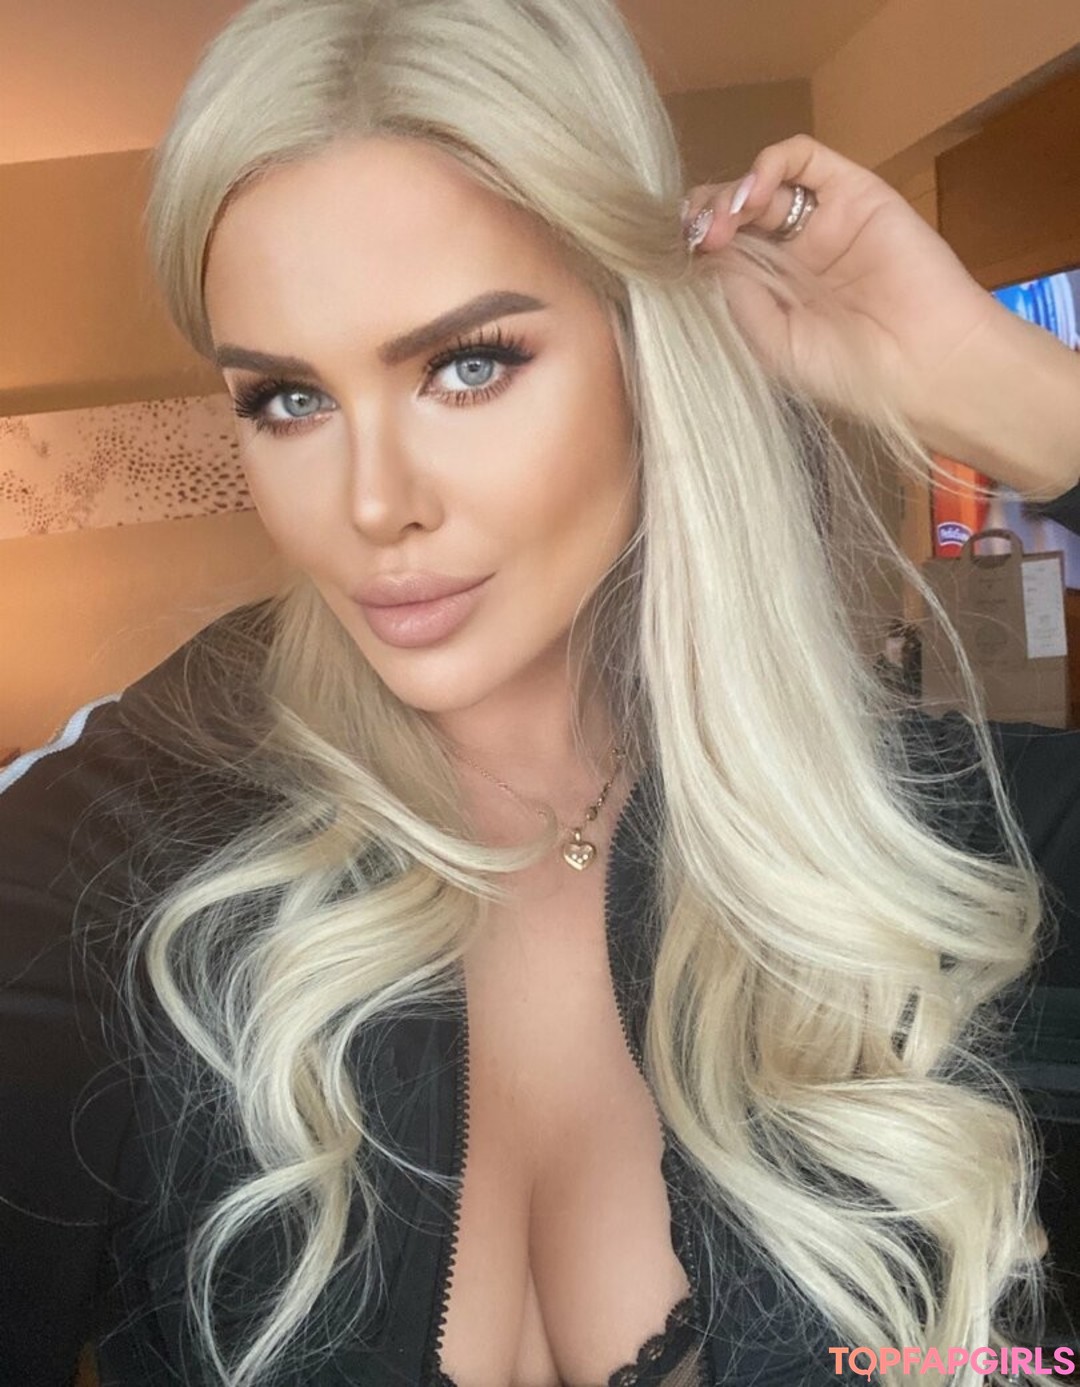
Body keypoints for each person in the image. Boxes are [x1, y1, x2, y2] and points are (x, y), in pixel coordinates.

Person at [2, 1, 1079, 1384]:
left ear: (642, 344)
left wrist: (1014, 397)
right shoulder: (138, 869)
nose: (373, 505)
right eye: (287, 399)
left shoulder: (952, 848)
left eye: (468, 366)